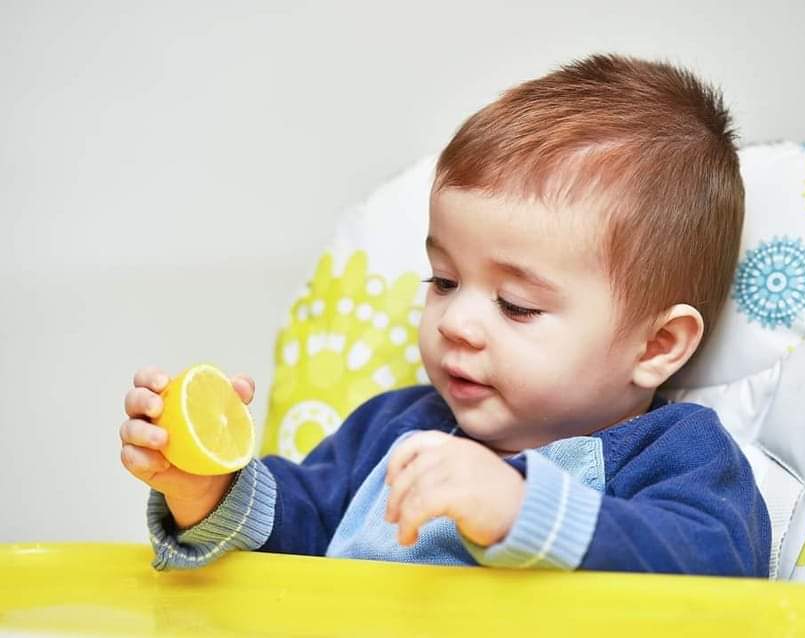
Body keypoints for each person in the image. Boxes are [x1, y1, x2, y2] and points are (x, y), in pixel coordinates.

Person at [120, 53, 771, 576]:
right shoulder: (393, 431)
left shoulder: (675, 454)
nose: (456, 322)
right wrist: (207, 489)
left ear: (657, 345)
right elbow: (295, 539)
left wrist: (523, 510)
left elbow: (714, 568)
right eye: (444, 280)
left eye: (516, 306)